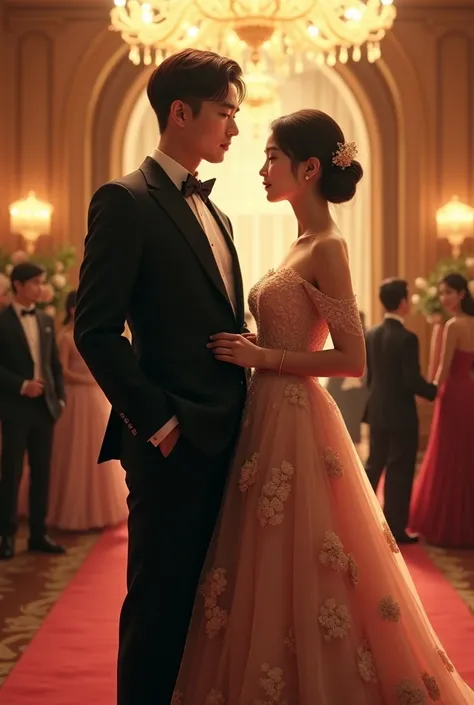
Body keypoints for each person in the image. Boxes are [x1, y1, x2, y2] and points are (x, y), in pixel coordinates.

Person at [172, 110, 474, 705]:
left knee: (309, 558)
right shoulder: (299, 243)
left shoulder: (329, 247)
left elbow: (352, 359)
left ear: (308, 169)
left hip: (296, 415)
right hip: (265, 411)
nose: (261, 170)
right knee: (262, 557)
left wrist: (263, 356)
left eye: (271, 157)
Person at [74, 49, 248, 705]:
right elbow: (94, 328)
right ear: (182, 112)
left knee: (214, 607)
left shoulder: (220, 214)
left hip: (232, 438)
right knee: (159, 608)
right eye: (226, 113)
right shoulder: (124, 200)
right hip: (171, 444)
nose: (234, 128)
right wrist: (161, 422)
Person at [45, 291, 129, 530]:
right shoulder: (65, 337)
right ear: (73, 309)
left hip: (95, 397)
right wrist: (88, 379)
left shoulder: (92, 336)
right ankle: (72, 510)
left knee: (97, 447)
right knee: (75, 450)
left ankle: (98, 509)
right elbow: (61, 371)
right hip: (77, 398)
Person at [0, 262, 66, 560]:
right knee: (11, 472)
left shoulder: (46, 320)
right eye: (36, 283)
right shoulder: (2, 321)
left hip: (45, 409)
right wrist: (21, 384)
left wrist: (60, 398)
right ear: (18, 285)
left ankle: (39, 534)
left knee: (42, 472)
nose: (42, 288)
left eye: (43, 282)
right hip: (15, 407)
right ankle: (7, 536)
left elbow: (54, 365)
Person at [364, 279, 437, 543]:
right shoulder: (407, 338)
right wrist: (433, 390)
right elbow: (411, 380)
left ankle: (360, 520)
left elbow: (370, 377)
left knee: (374, 466)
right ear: (403, 302)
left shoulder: (371, 333)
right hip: (401, 415)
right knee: (399, 471)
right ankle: (395, 529)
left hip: (376, 410)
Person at [410, 273, 474, 547]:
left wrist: (431, 391)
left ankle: (449, 525)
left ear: (462, 294)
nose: (444, 298)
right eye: (441, 293)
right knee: (466, 454)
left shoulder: (453, 325)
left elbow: (443, 369)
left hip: (453, 395)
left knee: (447, 454)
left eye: (448, 292)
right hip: (469, 392)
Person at [326, 310, 368, 447]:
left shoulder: (367, 339)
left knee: (354, 424)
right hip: (340, 387)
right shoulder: (340, 337)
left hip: (359, 389)